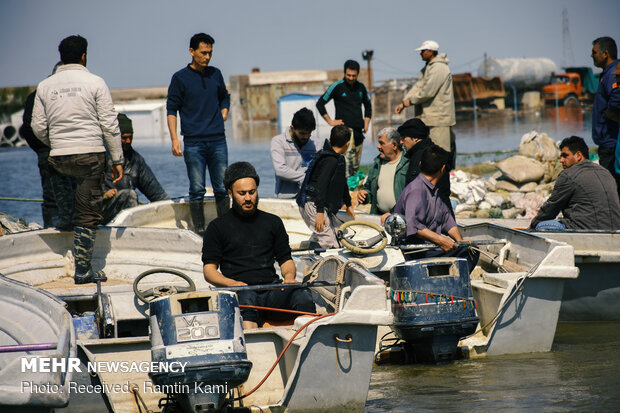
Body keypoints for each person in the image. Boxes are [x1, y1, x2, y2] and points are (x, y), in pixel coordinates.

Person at [32, 35, 123, 284]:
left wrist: (57, 143)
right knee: (87, 215)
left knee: (69, 213)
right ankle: (83, 271)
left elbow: (37, 127)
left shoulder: (44, 86)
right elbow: (109, 124)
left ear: (60, 57)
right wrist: (117, 159)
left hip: (58, 158)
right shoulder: (95, 82)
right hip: (91, 156)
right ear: (84, 56)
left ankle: (66, 252)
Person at [202, 162, 315, 329]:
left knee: (302, 294)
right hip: (240, 292)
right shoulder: (217, 227)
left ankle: (307, 338)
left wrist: (289, 278)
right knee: (246, 301)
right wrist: (231, 284)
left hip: (271, 290)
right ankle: (254, 346)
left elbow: (285, 260)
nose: (248, 198)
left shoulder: (273, 222)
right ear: (230, 193)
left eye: (252, 192)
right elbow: (209, 271)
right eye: (242, 193)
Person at [166, 32, 231, 235]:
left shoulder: (216, 74)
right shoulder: (180, 78)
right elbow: (171, 109)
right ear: (191, 52)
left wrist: (225, 111)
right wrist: (175, 138)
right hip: (193, 143)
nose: (207, 57)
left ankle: (226, 228)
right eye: (203, 53)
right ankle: (199, 231)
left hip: (218, 140)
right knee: (197, 190)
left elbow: (225, 97)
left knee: (222, 187)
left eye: (210, 53)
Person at [389, 145, 479, 274]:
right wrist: (441, 240)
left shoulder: (434, 190)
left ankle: (451, 283)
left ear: (420, 164)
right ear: (442, 169)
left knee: (471, 250)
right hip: (415, 251)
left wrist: (459, 241)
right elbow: (412, 225)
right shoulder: (416, 189)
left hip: (431, 247)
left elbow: (447, 219)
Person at [529, 136, 620, 231]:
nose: (561, 160)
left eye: (565, 156)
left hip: (587, 230)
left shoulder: (568, 175)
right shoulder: (606, 172)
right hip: (615, 228)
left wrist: (532, 226)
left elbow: (551, 208)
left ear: (578, 156)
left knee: (541, 226)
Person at [101, 114, 169, 224]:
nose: (128, 141)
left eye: (130, 137)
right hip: (99, 210)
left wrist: (170, 212)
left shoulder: (136, 161)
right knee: (129, 195)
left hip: (124, 214)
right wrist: (103, 194)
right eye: (124, 138)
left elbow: (158, 195)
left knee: (140, 205)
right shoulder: (99, 155)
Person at [297, 125, 356, 248]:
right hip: (313, 204)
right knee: (328, 240)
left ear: (330, 140)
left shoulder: (338, 159)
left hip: (319, 204)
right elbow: (321, 185)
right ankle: (317, 263)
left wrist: (348, 204)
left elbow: (342, 182)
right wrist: (319, 213)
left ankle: (312, 246)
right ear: (348, 143)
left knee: (336, 236)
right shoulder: (330, 160)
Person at [19, 62, 62, 228]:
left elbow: (28, 129)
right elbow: (29, 128)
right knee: (53, 199)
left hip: (48, 152)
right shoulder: (38, 96)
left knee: (56, 198)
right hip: (51, 153)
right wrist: (45, 149)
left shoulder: (36, 95)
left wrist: (42, 149)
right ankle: (54, 231)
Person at [394, 40, 456, 157]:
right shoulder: (428, 68)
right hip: (430, 117)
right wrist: (404, 102)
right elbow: (419, 86)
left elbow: (428, 91)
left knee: (441, 150)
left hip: (438, 117)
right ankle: (433, 173)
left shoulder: (439, 68)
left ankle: (444, 173)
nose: (421, 54)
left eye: (423, 51)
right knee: (431, 150)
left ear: (431, 52)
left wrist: (410, 101)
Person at [316, 60, 372, 178]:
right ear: (344, 73)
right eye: (348, 75)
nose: (351, 78)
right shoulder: (337, 86)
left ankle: (353, 190)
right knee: (346, 166)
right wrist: (330, 121)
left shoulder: (361, 88)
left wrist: (366, 123)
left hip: (358, 133)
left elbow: (368, 106)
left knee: (355, 167)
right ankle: (343, 192)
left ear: (357, 74)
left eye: (354, 75)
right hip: (345, 132)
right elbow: (320, 103)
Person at [398, 118, 453, 214]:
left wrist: (393, 212)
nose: (401, 142)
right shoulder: (430, 152)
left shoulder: (423, 157)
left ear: (415, 138)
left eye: (403, 138)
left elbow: (414, 194)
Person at [270, 108, 321, 198]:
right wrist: (304, 178)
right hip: (285, 199)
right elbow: (280, 170)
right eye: (302, 133)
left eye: (309, 133)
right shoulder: (278, 141)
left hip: (310, 199)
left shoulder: (317, 144)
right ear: (292, 128)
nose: (305, 137)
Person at [591, 36, 620, 192]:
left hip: (610, 141)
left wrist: (611, 111)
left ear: (605, 53)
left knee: (610, 186)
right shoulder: (606, 74)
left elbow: (616, 95)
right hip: (607, 140)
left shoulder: (612, 74)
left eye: (594, 52)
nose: (591, 56)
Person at [356, 127, 408, 214]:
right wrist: (364, 195)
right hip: (379, 217)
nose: (378, 146)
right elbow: (368, 188)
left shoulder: (407, 164)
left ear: (394, 145)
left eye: (381, 143)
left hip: (401, 218)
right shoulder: (377, 164)